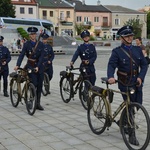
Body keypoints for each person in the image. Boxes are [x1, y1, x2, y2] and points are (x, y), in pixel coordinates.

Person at [107, 25, 148, 146]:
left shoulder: (137, 50)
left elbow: (145, 65)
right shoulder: (117, 52)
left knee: (137, 104)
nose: (130, 38)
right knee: (130, 106)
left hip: (136, 81)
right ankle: (131, 134)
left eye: (131, 35)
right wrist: (110, 76)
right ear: (122, 38)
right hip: (124, 81)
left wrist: (141, 77)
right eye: (127, 36)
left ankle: (122, 120)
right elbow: (111, 65)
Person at [14, 27, 45, 110]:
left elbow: (42, 56)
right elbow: (22, 55)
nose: (33, 35)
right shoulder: (27, 44)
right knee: (33, 83)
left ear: (36, 34)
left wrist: (38, 66)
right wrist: (17, 65)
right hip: (30, 66)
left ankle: (38, 103)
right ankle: (30, 100)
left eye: (34, 34)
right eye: (31, 34)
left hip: (39, 66)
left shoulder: (41, 44)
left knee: (39, 85)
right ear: (29, 35)